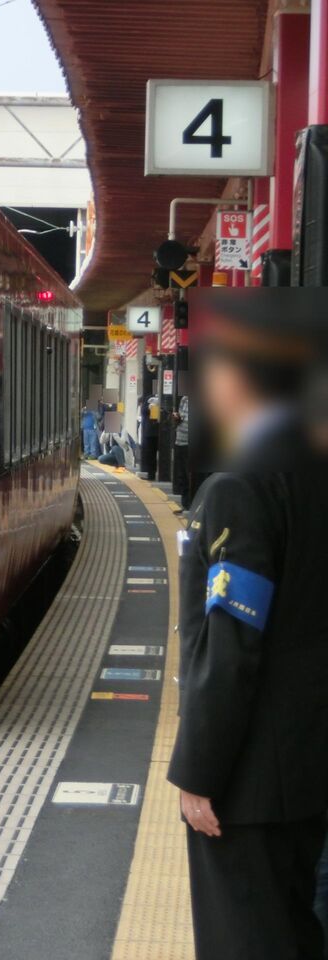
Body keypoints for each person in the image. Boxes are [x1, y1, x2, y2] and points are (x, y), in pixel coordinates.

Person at [167, 289, 328, 960]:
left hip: (253, 781)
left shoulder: (240, 486)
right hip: (309, 767)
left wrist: (199, 770)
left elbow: (232, 644)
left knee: (246, 940)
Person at [173, 395, 191, 507]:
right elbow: (181, 417)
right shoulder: (184, 399)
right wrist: (177, 417)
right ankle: (185, 504)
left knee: (190, 475)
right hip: (180, 440)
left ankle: (191, 505)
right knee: (182, 475)